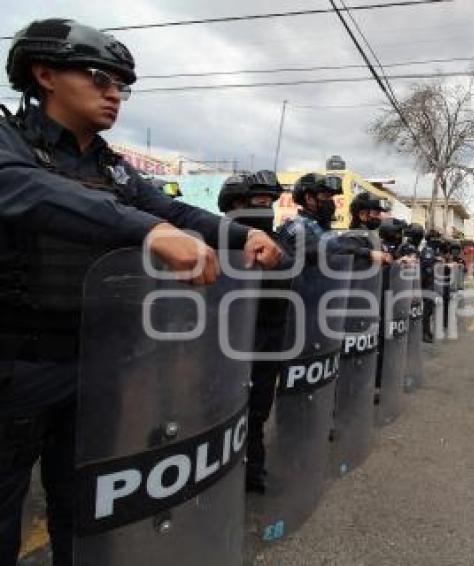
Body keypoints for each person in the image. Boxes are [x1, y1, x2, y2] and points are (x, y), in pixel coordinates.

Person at [0, 18, 281, 563]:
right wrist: (145, 231)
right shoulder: (8, 142)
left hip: (97, 367)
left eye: (121, 86)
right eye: (100, 78)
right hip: (16, 365)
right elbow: (24, 189)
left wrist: (244, 234)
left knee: (88, 515)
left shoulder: (110, 167)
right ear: (44, 74)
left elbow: (171, 209)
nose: (114, 95)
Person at [217, 171, 286, 494]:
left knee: (256, 414)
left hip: (265, 345)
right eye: (256, 201)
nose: (265, 208)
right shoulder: (208, 243)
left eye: (269, 201)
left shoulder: (279, 248)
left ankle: (251, 470)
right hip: (219, 347)